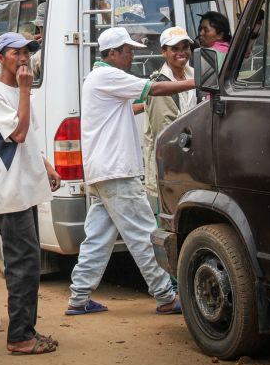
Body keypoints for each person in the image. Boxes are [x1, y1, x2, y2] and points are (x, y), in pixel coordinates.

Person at [66, 27, 196, 317]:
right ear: (113, 53)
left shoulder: (98, 78)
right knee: (143, 234)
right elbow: (156, 89)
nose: (132, 54)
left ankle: (79, 297)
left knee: (98, 238)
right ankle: (164, 295)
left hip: (104, 172)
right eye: (128, 50)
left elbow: (132, 106)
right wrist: (195, 82)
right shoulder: (108, 76)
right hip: (116, 172)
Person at [0, 32, 61, 355]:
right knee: (22, 266)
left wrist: (46, 165)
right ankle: (18, 337)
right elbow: (17, 132)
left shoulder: (17, 90)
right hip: (10, 195)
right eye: (17, 53)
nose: (24, 58)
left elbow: (26, 141)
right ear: (1, 58)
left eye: (27, 52)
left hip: (26, 190)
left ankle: (27, 330)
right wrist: (26, 91)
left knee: (29, 264)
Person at [143, 27, 196, 213]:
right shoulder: (160, 84)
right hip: (169, 166)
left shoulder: (193, 73)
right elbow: (165, 134)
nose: (181, 52)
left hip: (190, 161)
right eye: (175, 49)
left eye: (185, 47)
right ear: (163, 52)